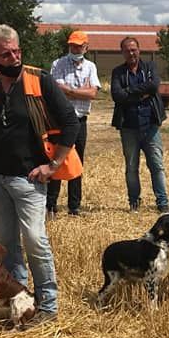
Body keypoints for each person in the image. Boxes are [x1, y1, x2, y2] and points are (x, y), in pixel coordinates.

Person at [0, 24, 79, 327]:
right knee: (4, 245)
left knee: (34, 240)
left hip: (29, 179)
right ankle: (18, 297)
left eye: (17, 50)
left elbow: (71, 123)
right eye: (6, 53)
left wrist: (52, 166)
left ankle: (48, 304)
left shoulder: (40, 80)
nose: (14, 57)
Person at [110, 36, 169, 212]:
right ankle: (134, 203)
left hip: (151, 126)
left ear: (139, 50)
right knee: (131, 167)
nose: (131, 53)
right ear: (122, 52)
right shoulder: (118, 72)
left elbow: (154, 85)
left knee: (157, 166)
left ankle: (163, 203)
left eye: (133, 49)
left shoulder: (149, 67)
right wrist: (139, 93)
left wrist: (129, 92)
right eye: (127, 50)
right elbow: (117, 95)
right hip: (128, 127)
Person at [47, 30, 100, 217]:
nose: (74, 48)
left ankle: (74, 207)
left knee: (77, 162)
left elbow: (93, 93)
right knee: (56, 159)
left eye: (78, 45)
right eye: (72, 45)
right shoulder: (58, 64)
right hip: (60, 121)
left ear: (86, 46)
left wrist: (69, 90)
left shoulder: (91, 67)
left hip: (80, 121)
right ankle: (50, 205)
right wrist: (80, 90)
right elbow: (56, 91)